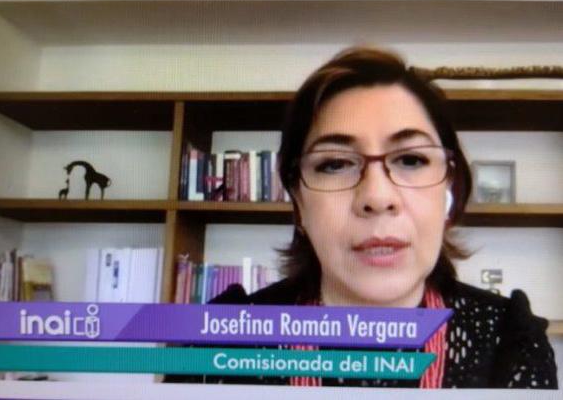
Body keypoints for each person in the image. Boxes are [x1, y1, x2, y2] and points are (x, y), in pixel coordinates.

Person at [167, 47, 558, 388]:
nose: (377, 197)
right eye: (335, 164)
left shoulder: (510, 342)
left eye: (411, 159)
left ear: (449, 190)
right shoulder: (215, 345)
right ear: (298, 200)